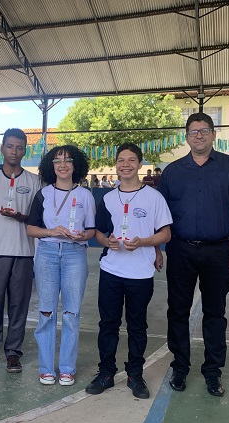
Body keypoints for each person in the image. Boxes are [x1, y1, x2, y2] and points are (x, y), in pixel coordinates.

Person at [157, 112, 229, 397]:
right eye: (193, 131)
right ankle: (180, 367)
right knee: (178, 310)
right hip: (180, 249)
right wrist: (156, 248)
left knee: (215, 312)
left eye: (204, 130)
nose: (198, 136)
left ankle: (212, 371)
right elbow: (159, 215)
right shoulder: (172, 172)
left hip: (219, 251)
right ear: (186, 137)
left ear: (213, 134)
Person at [85, 143, 172, 399]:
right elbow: (99, 232)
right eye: (121, 160)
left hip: (141, 273)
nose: (126, 164)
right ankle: (106, 372)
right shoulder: (108, 198)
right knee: (108, 324)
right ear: (116, 165)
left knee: (137, 326)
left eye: (131, 160)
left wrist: (143, 242)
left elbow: (166, 233)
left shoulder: (154, 197)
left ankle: (135, 374)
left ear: (140, 164)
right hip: (111, 270)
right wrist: (106, 241)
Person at [26, 145, 96, 386]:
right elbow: (31, 229)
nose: (63, 165)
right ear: (51, 166)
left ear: (76, 165)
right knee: (46, 312)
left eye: (68, 160)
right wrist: (51, 231)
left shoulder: (85, 195)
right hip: (47, 253)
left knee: (71, 313)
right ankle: (46, 368)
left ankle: (67, 368)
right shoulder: (43, 194)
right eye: (57, 161)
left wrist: (83, 236)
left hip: (75, 254)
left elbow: (91, 230)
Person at [0, 128, 41, 376]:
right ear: (2, 148)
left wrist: (20, 216)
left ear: (25, 151)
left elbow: (37, 219)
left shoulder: (34, 182)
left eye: (19, 147)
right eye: (10, 146)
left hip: (24, 253)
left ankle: (13, 353)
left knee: (18, 307)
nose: (14, 151)